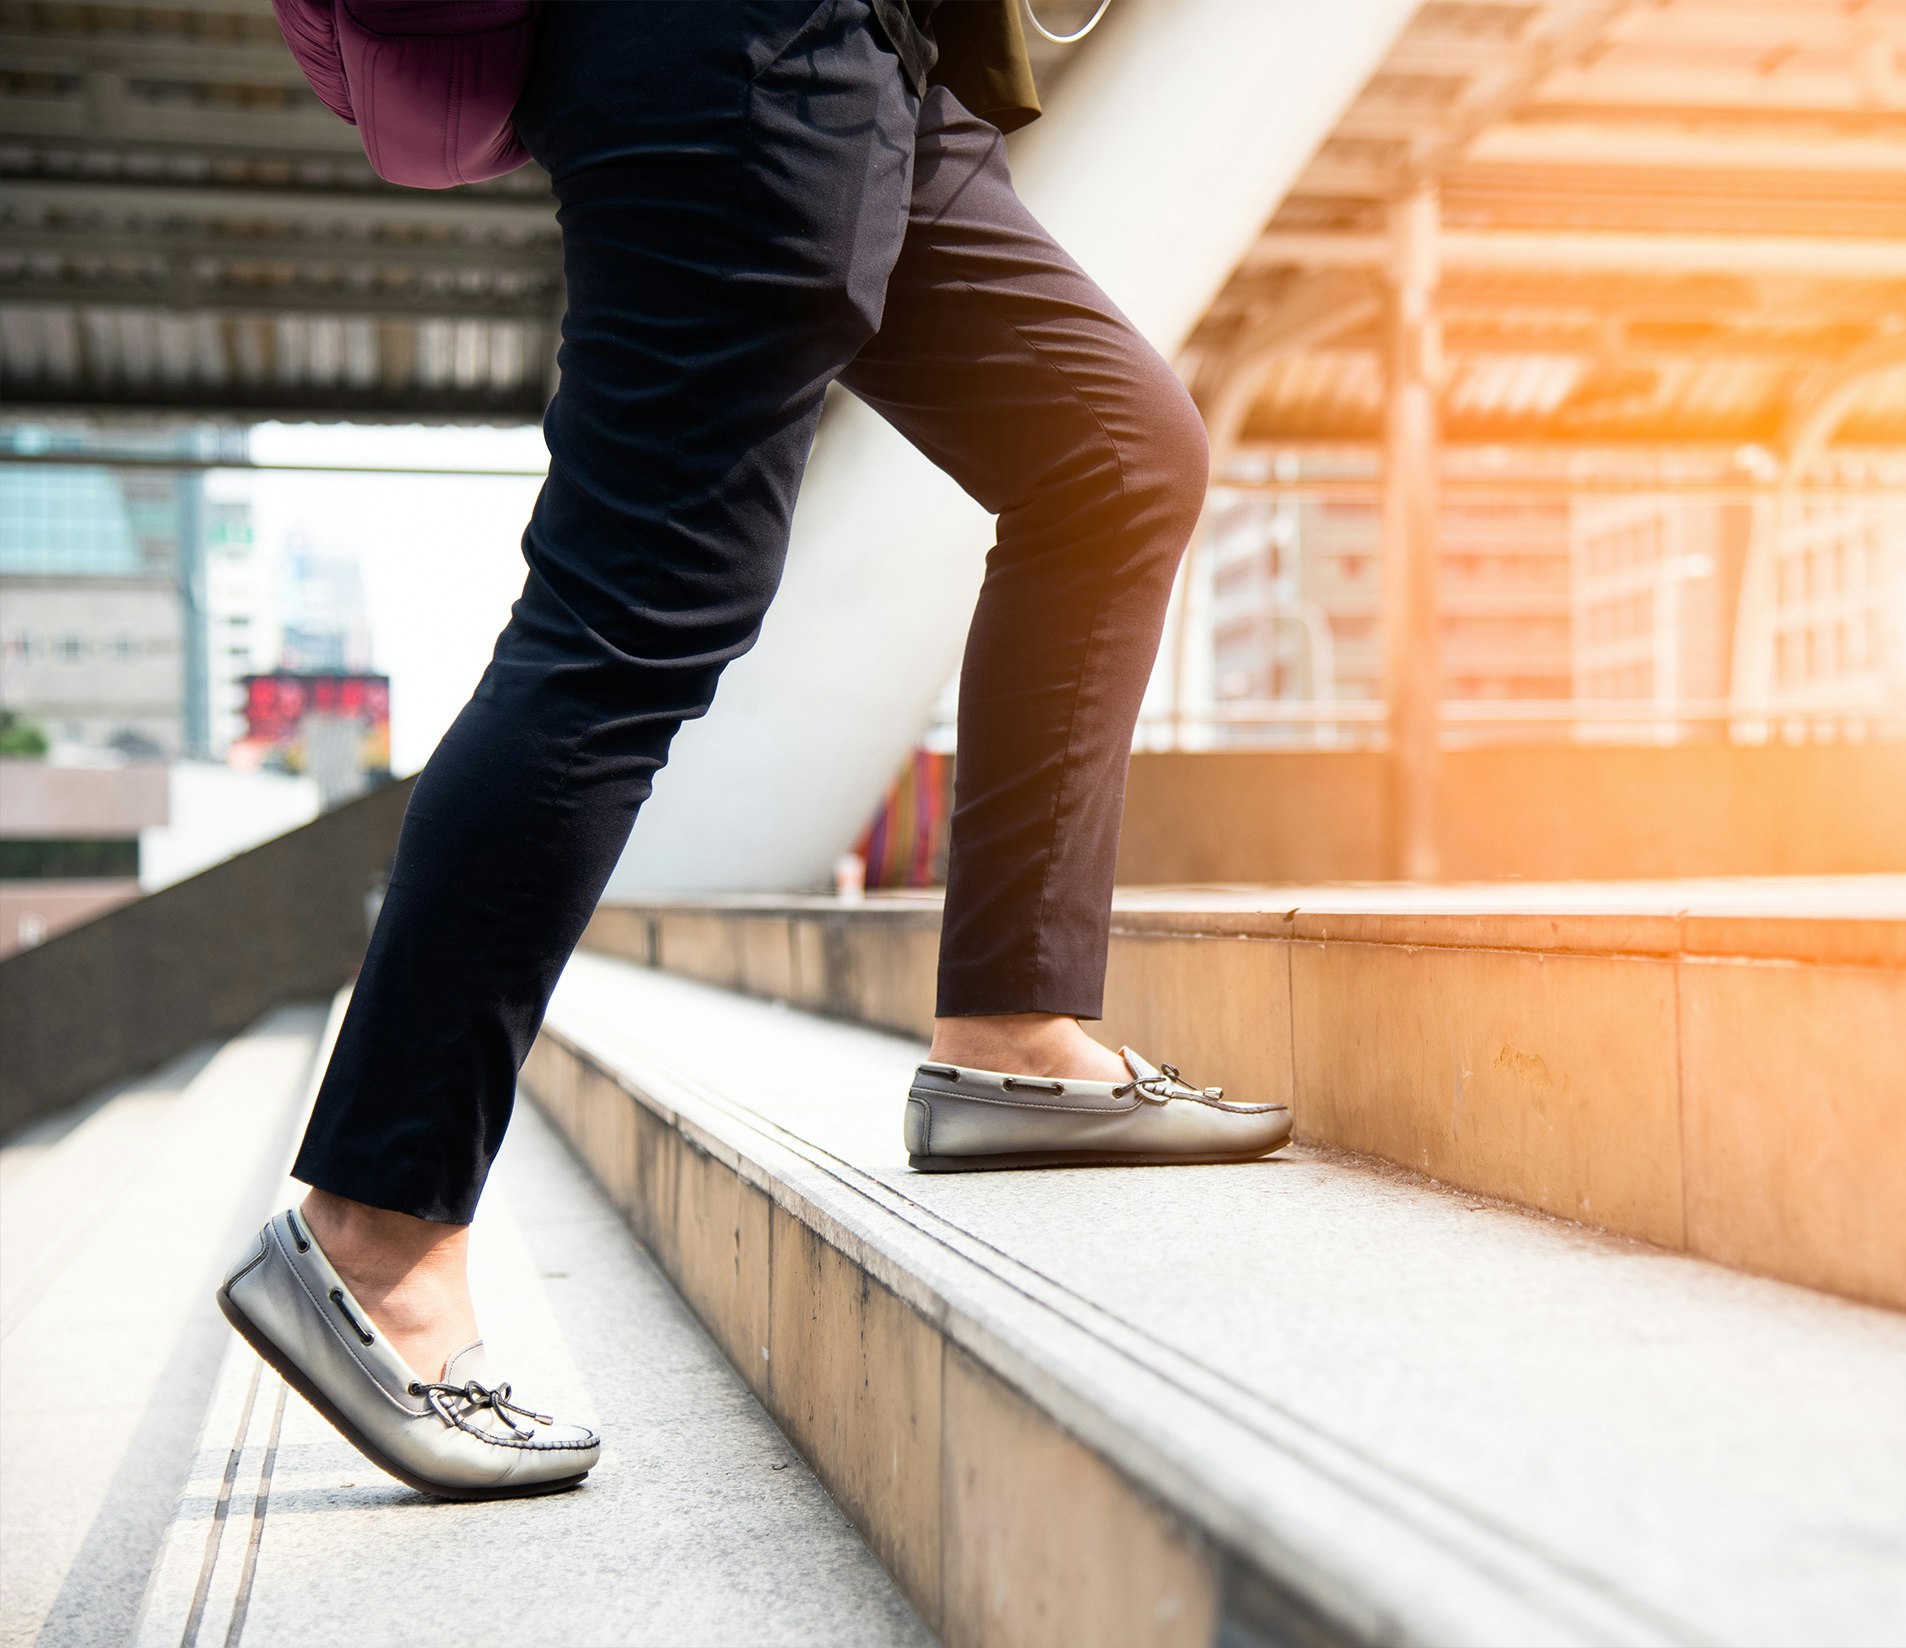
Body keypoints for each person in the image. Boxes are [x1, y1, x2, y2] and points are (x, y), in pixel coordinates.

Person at [217, 0, 1290, 1500]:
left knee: (1111, 452)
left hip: (886, 66)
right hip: (742, 50)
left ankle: (1013, 1037)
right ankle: (375, 1238)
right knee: (627, 613)